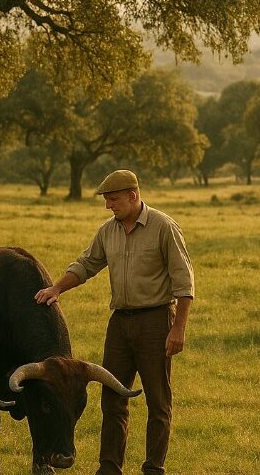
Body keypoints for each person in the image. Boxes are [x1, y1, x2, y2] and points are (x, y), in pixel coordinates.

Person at [35, 169, 194, 475]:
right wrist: (56, 288)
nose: (108, 206)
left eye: (113, 199)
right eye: (107, 200)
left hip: (156, 320)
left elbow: (184, 281)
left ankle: (153, 468)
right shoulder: (108, 230)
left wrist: (178, 327)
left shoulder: (163, 227)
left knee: (158, 401)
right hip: (120, 324)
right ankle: (109, 468)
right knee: (112, 398)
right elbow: (86, 264)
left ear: (133, 196)